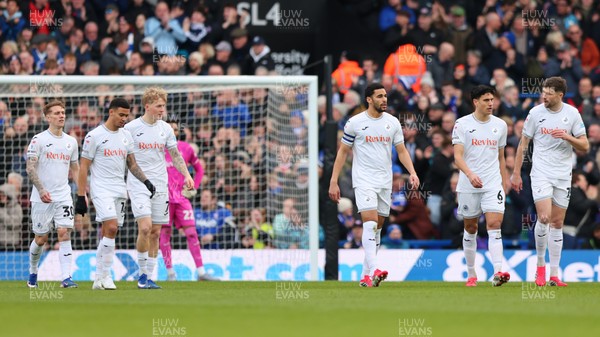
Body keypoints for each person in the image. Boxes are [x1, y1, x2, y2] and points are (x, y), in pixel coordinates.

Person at [329, 82, 419, 288]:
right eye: (379, 96)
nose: (384, 99)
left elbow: (402, 150)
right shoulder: (355, 123)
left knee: (377, 229)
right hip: (364, 180)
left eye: (385, 95)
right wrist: (333, 181)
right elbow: (342, 152)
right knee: (369, 223)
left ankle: (365, 276)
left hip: (385, 182)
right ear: (369, 99)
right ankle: (376, 268)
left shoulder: (393, 123)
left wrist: (412, 172)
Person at [511, 77, 589, 287]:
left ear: (560, 95)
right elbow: (523, 144)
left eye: (548, 93)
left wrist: (567, 137)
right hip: (541, 172)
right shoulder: (535, 113)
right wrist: (516, 173)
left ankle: (554, 274)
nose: (544, 96)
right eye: (543, 92)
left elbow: (585, 146)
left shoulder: (572, 114)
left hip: (563, 175)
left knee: (557, 223)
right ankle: (540, 268)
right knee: (544, 217)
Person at [76, 98, 153, 290]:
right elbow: (83, 167)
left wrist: (146, 181)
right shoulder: (94, 136)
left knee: (111, 231)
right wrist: (80, 196)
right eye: (121, 115)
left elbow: (132, 164)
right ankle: (106, 275)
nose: (124, 119)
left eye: (127, 115)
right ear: (111, 112)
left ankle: (99, 279)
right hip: (101, 189)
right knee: (110, 227)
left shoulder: (126, 136)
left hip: (120, 189)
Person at [125, 87, 194, 289]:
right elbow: (124, 156)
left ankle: (149, 276)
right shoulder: (130, 128)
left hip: (160, 185)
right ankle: (141, 276)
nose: (162, 109)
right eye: (159, 106)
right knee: (145, 227)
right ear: (148, 106)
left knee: (156, 231)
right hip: (138, 183)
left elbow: (175, 155)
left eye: (164, 105)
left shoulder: (165, 129)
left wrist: (187, 175)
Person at [452, 85, 511, 287]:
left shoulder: (501, 125)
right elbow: (457, 157)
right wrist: (470, 174)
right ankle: (471, 274)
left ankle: (498, 272)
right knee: (471, 227)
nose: (490, 103)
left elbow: (501, 157)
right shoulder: (462, 124)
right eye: (486, 100)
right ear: (475, 102)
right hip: (468, 184)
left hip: (492, 183)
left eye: (492, 99)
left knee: (495, 225)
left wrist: (504, 181)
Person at [25, 100, 79, 288]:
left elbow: (76, 168)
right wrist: (41, 190)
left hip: (63, 195)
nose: (61, 115)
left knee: (64, 232)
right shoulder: (38, 139)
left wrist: (82, 192)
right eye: (56, 113)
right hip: (41, 197)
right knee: (41, 238)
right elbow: (30, 167)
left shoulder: (71, 141)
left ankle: (66, 277)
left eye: (63, 112)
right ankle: (33, 271)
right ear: (47, 117)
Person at [160, 119, 217, 281]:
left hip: (182, 198)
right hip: (163, 199)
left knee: (191, 233)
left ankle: (201, 273)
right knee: (164, 233)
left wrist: (195, 187)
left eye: (176, 129)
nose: (173, 131)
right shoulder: (156, 149)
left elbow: (199, 169)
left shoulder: (186, 148)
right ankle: (170, 273)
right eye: (170, 129)